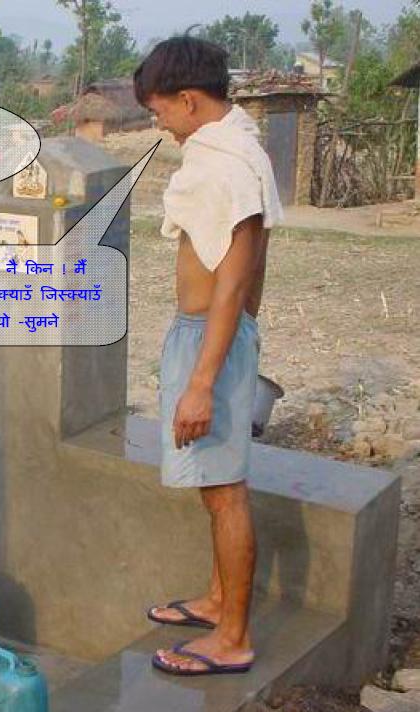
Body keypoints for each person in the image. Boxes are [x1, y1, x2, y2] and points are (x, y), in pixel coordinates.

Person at [132, 38, 283, 676]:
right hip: (211, 335)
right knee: (214, 484)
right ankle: (220, 601)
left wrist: (203, 381)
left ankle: (233, 638)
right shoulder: (233, 151)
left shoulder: (228, 166)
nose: (159, 124)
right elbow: (249, 273)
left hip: (209, 339)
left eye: (160, 110)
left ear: (189, 100)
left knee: (224, 493)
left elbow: (234, 278)